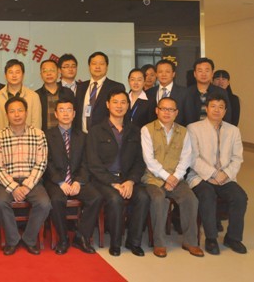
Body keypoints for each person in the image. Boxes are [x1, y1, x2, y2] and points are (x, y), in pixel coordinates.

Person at [86, 88, 149, 257]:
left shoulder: (135, 130)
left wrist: (131, 181)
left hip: (128, 179)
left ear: (128, 105)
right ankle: (115, 243)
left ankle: (134, 242)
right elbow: (93, 164)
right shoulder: (96, 130)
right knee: (115, 199)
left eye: (123, 102)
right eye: (115, 102)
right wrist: (113, 182)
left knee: (143, 197)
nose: (119, 106)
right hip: (104, 180)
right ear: (108, 104)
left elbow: (139, 161)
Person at [141, 97, 203, 258]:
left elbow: (186, 157)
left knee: (191, 199)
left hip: (177, 178)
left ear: (176, 113)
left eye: (171, 110)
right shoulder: (147, 130)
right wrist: (166, 177)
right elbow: (149, 160)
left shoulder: (183, 132)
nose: (167, 112)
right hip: (153, 178)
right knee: (159, 199)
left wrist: (175, 177)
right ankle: (159, 243)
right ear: (157, 110)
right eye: (163, 109)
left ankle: (190, 241)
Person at [187, 93, 248, 255]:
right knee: (207, 195)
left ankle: (233, 238)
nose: (217, 110)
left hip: (225, 177)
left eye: (221, 107)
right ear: (206, 108)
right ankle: (211, 238)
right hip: (200, 176)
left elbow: (237, 158)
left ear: (225, 111)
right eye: (213, 106)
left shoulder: (233, 131)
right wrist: (213, 174)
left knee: (240, 197)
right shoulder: (194, 128)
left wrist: (225, 174)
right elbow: (193, 158)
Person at [0, 97, 51, 256]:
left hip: (31, 180)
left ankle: (29, 239)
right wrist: (13, 187)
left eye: (20, 110)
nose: (16, 115)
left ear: (26, 112)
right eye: (12, 111)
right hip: (6, 181)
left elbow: (41, 163)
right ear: (6, 115)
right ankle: (13, 240)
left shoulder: (38, 134)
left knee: (44, 203)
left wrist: (26, 185)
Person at [44, 97, 102, 255]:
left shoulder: (83, 136)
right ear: (56, 114)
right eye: (61, 110)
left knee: (96, 197)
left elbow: (86, 162)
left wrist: (78, 182)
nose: (65, 114)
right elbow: (46, 162)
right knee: (56, 199)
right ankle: (63, 239)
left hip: (77, 179)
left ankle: (81, 236)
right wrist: (60, 182)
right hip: (56, 181)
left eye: (69, 110)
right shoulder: (47, 135)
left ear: (74, 113)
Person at [76, 51, 125, 133]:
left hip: (105, 135)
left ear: (107, 66)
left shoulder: (116, 87)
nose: (97, 67)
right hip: (82, 135)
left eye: (101, 64)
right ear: (89, 66)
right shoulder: (81, 87)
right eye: (94, 64)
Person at [0, 59, 42, 132]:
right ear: (5, 75)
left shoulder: (33, 96)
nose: (14, 75)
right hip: (3, 137)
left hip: (28, 137)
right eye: (11, 72)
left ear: (23, 75)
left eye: (17, 72)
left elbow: (36, 123)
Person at [183, 57, 232, 125]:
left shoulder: (221, 92)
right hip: (190, 130)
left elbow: (227, 117)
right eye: (200, 71)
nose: (203, 74)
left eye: (207, 71)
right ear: (195, 74)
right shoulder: (186, 93)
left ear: (212, 73)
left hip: (216, 130)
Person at [35, 59, 75, 131]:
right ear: (41, 75)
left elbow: (75, 115)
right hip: (44, 135)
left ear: (58, 72)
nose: (49, 74)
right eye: (45, 71)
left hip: (66, 135)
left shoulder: (68, 93)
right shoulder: (36, 95)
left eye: (52, 70)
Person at [145, 59, 187, 126]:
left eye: (167, 72)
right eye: (160, 72)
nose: (163, 74)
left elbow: (189, 118)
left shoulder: (185, 93)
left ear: (173, 74)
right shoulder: (148, 93)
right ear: (156, 74)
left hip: (177, 130)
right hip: (153, 131)